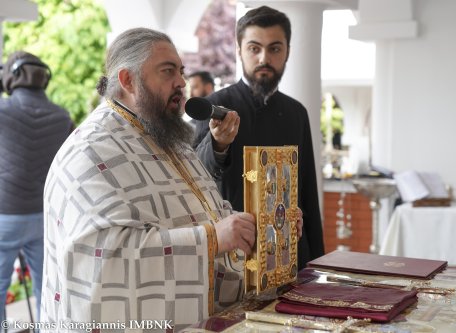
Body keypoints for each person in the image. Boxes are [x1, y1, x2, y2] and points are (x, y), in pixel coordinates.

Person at [40, 28, 264, 331]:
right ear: (127, 80)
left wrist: (260, 225)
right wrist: (212, 238)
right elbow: (103, 257)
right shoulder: (90, 151)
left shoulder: (168, 139)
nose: (181, 82)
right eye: (168, 71)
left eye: (181, 71)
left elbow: (209, 212)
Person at [193, 6, 324, 270]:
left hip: (288, 257)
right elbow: (195, 175)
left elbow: (307, 192)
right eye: (254, 48)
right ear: (239, 50)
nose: (264, 58)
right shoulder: (215, 106)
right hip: (231, 260)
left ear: (287, 51)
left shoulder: (296, 112)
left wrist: (315, 265)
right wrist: (219, 144)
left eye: (275, 48)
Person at [0, 51, 73, 323]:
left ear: (14, 76)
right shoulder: (61, 116)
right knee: (47, 286)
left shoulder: (3, 111)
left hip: (5, 215)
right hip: (45, 217)